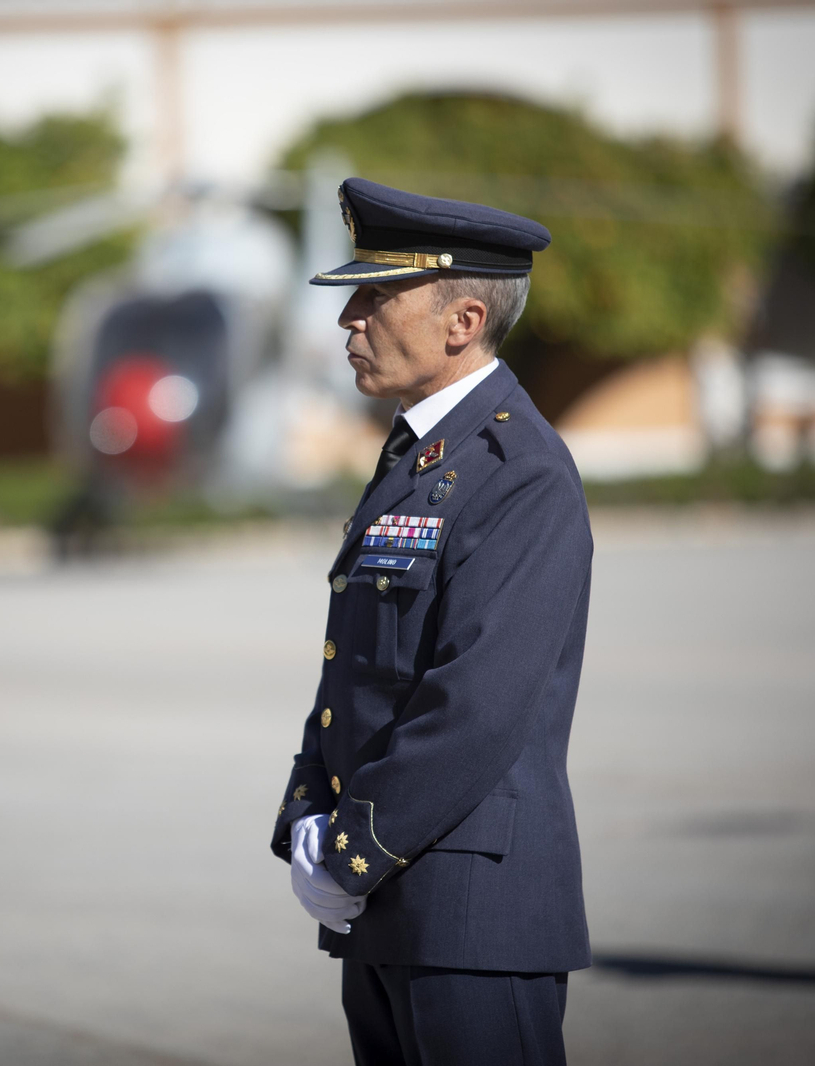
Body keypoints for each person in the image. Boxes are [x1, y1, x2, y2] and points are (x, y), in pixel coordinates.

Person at [271, 177, 593, 1065]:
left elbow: (476, 705)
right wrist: (311, 809)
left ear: (462, 322)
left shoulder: (519, 470)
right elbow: (358, 666)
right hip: (387, 902)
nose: (351, 318)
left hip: (472, 918)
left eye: (377, 295)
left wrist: (351, 850)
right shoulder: (421, 453)